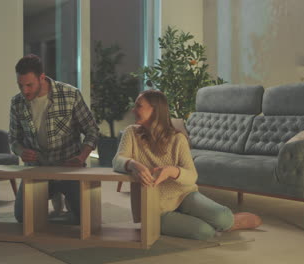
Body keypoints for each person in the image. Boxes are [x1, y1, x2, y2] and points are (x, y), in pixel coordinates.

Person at [112, 89, 262, 240]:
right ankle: (209, 222)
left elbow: (192, 177)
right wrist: (132, 164)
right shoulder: (131, 133)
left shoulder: (178, 139)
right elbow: (117, 160)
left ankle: (230, 221)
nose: (133, 109)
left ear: (155, 110)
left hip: (183, 195)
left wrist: (172, 171)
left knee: (224, 219)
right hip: (155, 209)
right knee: (206, 232)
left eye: (139, 106)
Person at [9, 54, 99, 224]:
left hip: (68, 168)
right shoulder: (17, 103)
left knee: (85, 219)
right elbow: (14, 139)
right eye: (20, 85)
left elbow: (92, 130)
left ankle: (66, 197)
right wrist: (21, 151)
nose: (24, 90)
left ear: (41, 77)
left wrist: (81, 157)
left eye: (29, 85)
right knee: (22, 217)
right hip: (37, 169)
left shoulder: (70, 95)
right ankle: (52, 194)